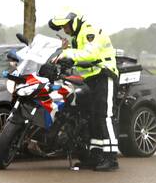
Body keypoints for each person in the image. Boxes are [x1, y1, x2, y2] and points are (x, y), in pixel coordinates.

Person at [50, 9, 120, 171]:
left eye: (66, 26)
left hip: (104, 75)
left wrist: (68, 54)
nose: (65, 30)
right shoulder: (78, 38)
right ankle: (95, 156)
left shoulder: (89, 31)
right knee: (94, 117)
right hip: (92, 80)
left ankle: (111, 158)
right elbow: (82, 59)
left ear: (74, 22)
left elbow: (90, 54)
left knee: (105, 115)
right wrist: (68, 61)